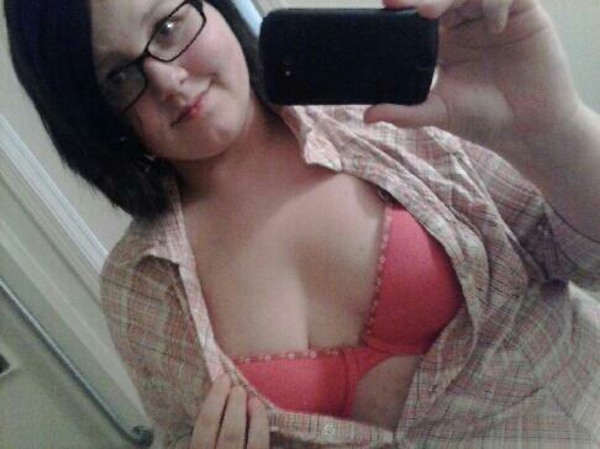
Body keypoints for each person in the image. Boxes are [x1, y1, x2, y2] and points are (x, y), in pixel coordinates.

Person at [4, 0, 600, 447]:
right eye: (118, 77)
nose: (166, 80)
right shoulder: (139, 289)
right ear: (93, 112)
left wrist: (554, 126)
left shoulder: (388, 118)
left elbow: (586, 258)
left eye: (166, 27)